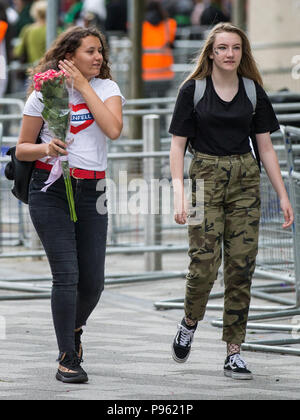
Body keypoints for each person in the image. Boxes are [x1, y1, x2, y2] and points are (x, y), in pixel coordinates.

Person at [169, 23, 294, 380]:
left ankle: (234, 351)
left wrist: (283, 195)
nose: (229, 54)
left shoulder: (253, 92)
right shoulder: (192, 91)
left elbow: (265, 148)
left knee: (241, 266)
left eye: (235, 48)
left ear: (243, 53)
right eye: (222, 48)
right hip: (204, 179)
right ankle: (190, 321)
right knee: (204, 264)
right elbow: (177, 146)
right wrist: (179, 192)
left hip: (244, 180)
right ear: (211, 52)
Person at [15, 26, 124, 384]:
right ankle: (67, 357)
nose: (98, 57)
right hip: (50, 191)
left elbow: (113, 129)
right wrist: (47, 148)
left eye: (100, 52)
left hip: (93, 192)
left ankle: (74, 329)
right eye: (90, 51)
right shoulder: (44, 93)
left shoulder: (106, 89)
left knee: (93, 283)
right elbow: (21, 149)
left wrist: (83, 87)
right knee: (67, 276)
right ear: (69, 56)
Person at [142, 0, 177, 98]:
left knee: (144, 106)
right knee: (162, 106)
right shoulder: (170, 24)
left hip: (145, 76)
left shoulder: (140, 26)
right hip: (165, 75)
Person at [14, 0, 46, 65]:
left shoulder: (28, 30)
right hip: (50, 69)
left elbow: (18, 51)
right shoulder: (56, 29)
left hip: (33, 68)